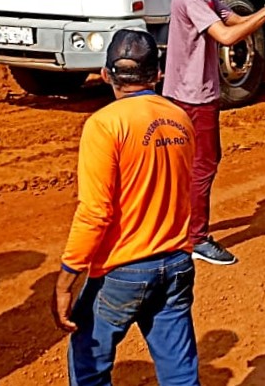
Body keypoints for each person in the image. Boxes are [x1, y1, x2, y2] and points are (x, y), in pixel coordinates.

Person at [52, 29, 200, 385]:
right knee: (180, 374)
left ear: (106, 75)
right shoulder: (180, 119)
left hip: (122, 272)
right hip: (177, 264)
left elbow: (95, 212)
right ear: (157, 74)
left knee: (90, 367)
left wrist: (65, 280)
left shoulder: (104, 125)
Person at [162, 0, 265, 266]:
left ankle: (176, 230)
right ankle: (196, 238)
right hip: (194, 96)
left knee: (186, 166)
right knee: (203, 164)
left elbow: (233, 19)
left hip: (186, 93)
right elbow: (227, 36)